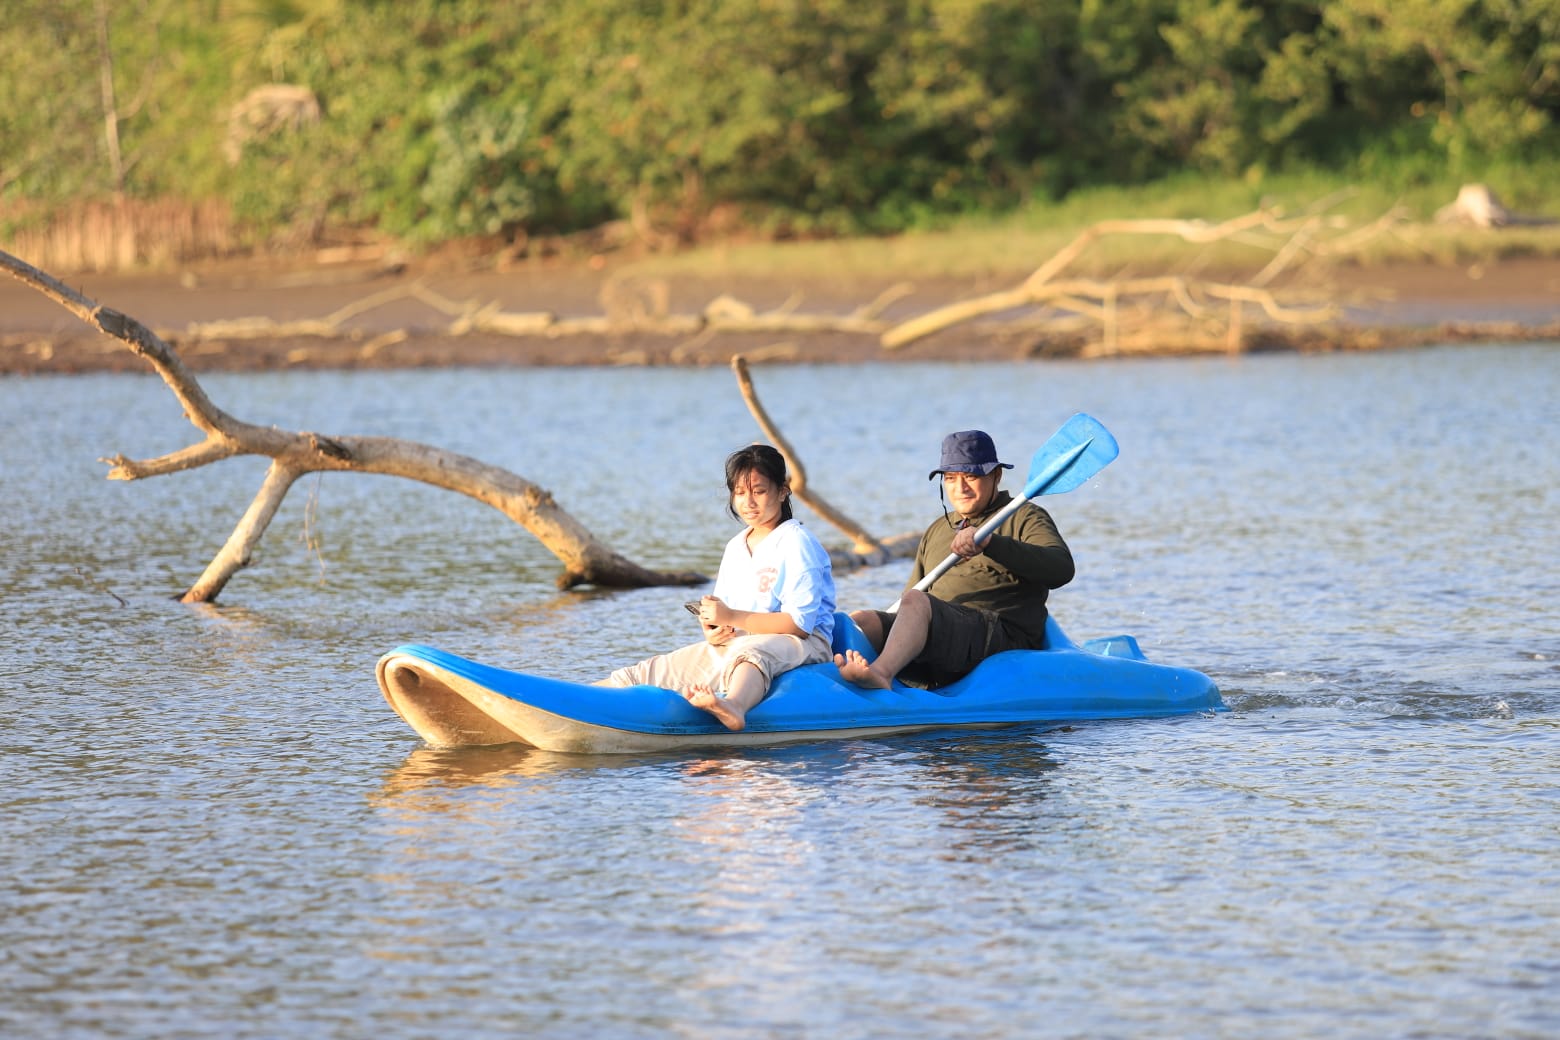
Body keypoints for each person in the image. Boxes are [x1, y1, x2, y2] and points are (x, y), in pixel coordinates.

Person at [603, 444, 836, 731]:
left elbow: (799, 625)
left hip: (805, 642)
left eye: (759, 491)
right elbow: (728, 613)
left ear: (783, 491)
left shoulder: (797, 542)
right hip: (739, 641)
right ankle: (578, 700)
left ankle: (734, 706)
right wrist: (715, 630)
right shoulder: (735, 547)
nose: (748, 502)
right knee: (641, 674)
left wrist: (732, 618)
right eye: (739, 492)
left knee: (752, 652)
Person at [835, 429, 1073, 690]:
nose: (960, 488)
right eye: (950, 478)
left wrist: (991, 544)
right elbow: (910, 601)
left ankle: (880, 674)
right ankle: (830, 679)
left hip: (1000, 637)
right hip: (943, 638)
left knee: (916, 602)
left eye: (970, 476)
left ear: (996, 475)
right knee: (860, 620)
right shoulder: (938, 529)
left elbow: (1061, 569)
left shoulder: (1024, 516)